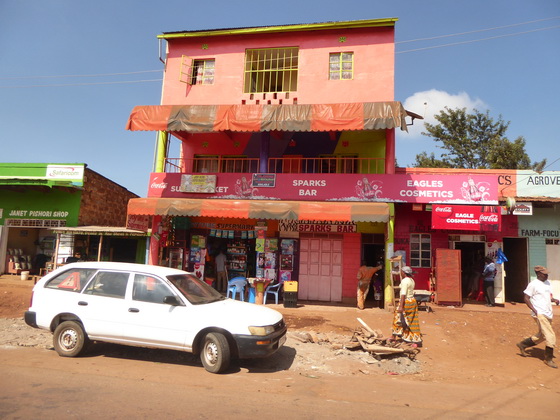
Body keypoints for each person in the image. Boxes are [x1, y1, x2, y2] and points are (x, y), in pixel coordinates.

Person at [516, 266, 559, 369]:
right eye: (545, 274)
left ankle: (523, 344)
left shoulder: (547, 283)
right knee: (550, 336)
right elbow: (526, 298)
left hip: (548, 312)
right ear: (539, 274)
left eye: (547, 274)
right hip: (540, 313)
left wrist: (553, 300)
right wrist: (534, 310)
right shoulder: (533, 284)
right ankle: (548, 359)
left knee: (542, 335)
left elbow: (547, 296)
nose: (547, 275)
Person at [391, 266, 422, 346]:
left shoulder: (405, 281)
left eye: (401, 271)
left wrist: (401, 306)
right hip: (412, 301)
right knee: (412, 321)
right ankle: (415, 341)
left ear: (404, 273)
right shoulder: (411, 280)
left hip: (406, 301)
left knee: (398, 318)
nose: (400, 272)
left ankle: (393, 337)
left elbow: (403, 294)